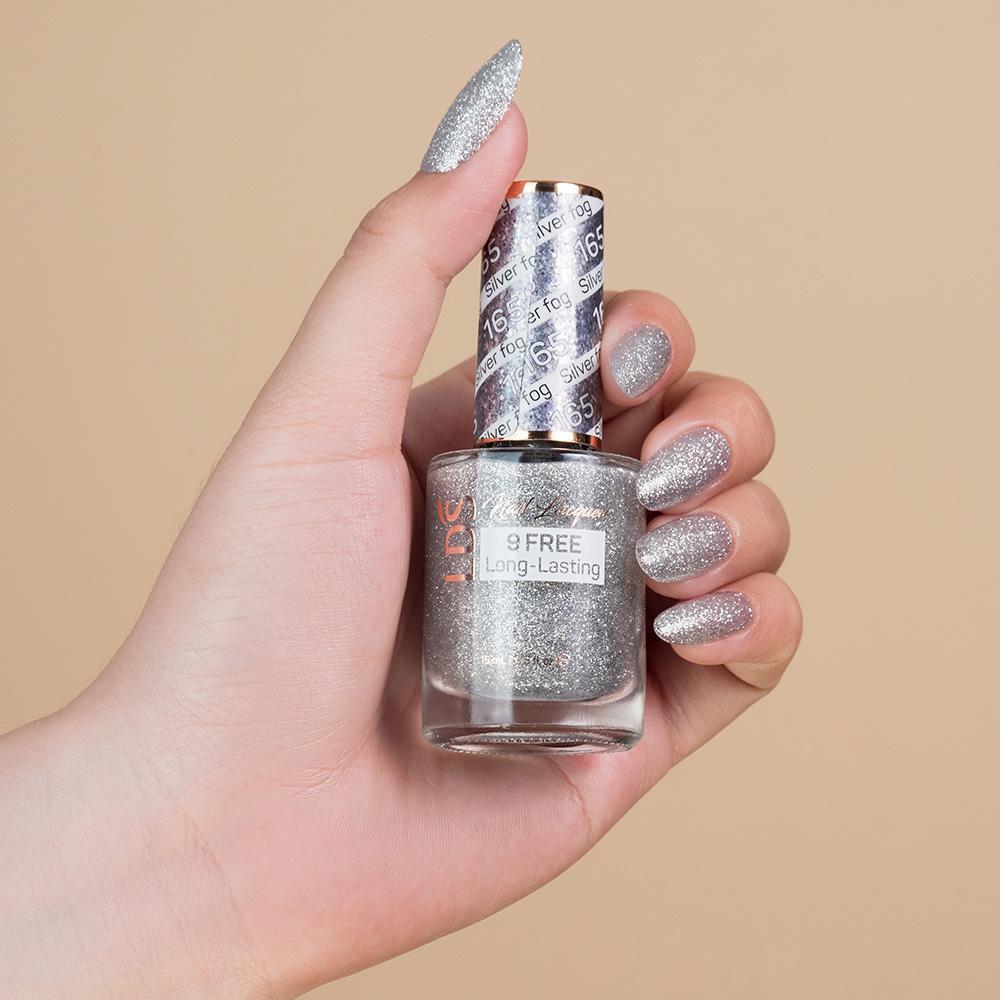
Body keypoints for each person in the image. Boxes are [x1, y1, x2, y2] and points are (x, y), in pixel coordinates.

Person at [0, 40, 801, 999]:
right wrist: (186, 835)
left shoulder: (589, 473)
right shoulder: (454, 474)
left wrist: (194, 870)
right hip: (443, 712)